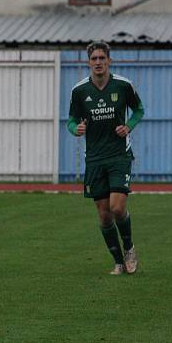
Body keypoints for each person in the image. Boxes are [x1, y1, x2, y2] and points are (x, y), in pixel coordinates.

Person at [68, 41, 144, 275]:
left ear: (109, 61)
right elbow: (71, 120)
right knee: (103, 214)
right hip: (94, 158)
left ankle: (129, 247)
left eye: (102, 58)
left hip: (119, 155)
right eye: (94, 59)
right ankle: (118, 262)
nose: (98, 62)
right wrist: (75, 129)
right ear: (88, 62)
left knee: (117, 207)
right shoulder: (79, 90)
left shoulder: (123, 85)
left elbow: (139, 109)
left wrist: (129, 126)